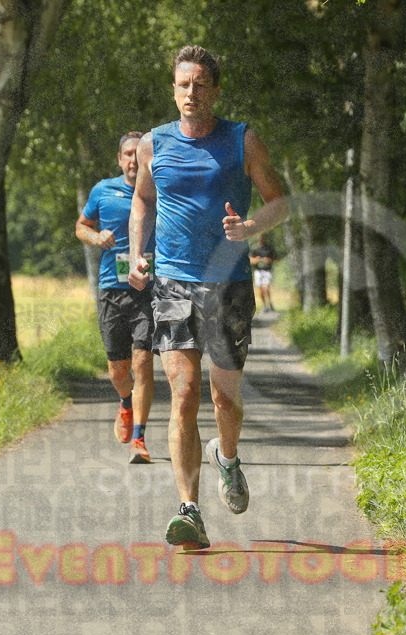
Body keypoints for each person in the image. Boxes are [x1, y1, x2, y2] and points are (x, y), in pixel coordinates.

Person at [127, 45, 288, 549]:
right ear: (173, 89)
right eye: (182, 85)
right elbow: (142, 200)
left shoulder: (242, 140)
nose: (190, 93)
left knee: (223, 397)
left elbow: (280, 202)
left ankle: (229, 458)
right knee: (184, 392)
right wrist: (136, 255)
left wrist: (250, 226)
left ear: (215, 90)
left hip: (230, 285)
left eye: (199, 85)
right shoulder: (154, 145)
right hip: (172, 283)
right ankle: (189, 509)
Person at [75, 131, 156, 464]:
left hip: (147, 290)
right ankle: (125, 402)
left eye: (138, 153)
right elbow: (81, 225)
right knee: (118, 371)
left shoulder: (157, 190)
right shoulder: (102, 190)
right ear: (119, 158)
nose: (132, 159)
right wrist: (96, 238)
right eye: (127, 153)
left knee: (143, 363)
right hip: (111, 288)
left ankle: (140, 438)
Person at [249, 233, 278, 313]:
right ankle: (265, 306)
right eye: (260, 238)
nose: (261, 240)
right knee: (261, 290)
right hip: (258, 271)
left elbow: (276, 258)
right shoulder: (255, 248)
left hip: (267, 270)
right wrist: (257, 260)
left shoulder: (269, 248)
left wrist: (269, 260)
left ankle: (270, 304)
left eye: (262, 238)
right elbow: (250, 261)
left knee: (266, 287)